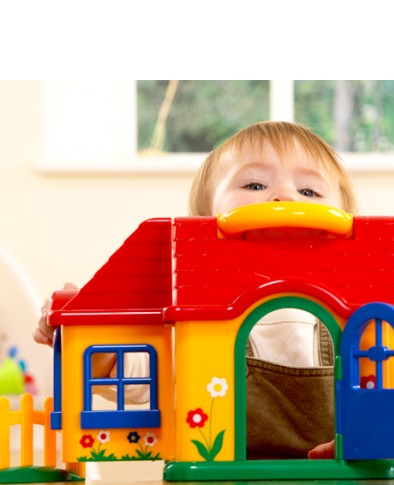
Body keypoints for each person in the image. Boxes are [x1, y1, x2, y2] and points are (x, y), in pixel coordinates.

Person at [34, 121, 357, 460]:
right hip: (216, 484)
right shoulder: (191, 319)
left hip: (337, 481)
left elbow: (392, 390)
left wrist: (364, 436)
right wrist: (80, 324)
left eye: (309, 192)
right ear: (203, 222)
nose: (284, 197)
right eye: (255, 184)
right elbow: (116, 370)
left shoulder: (357, 317)